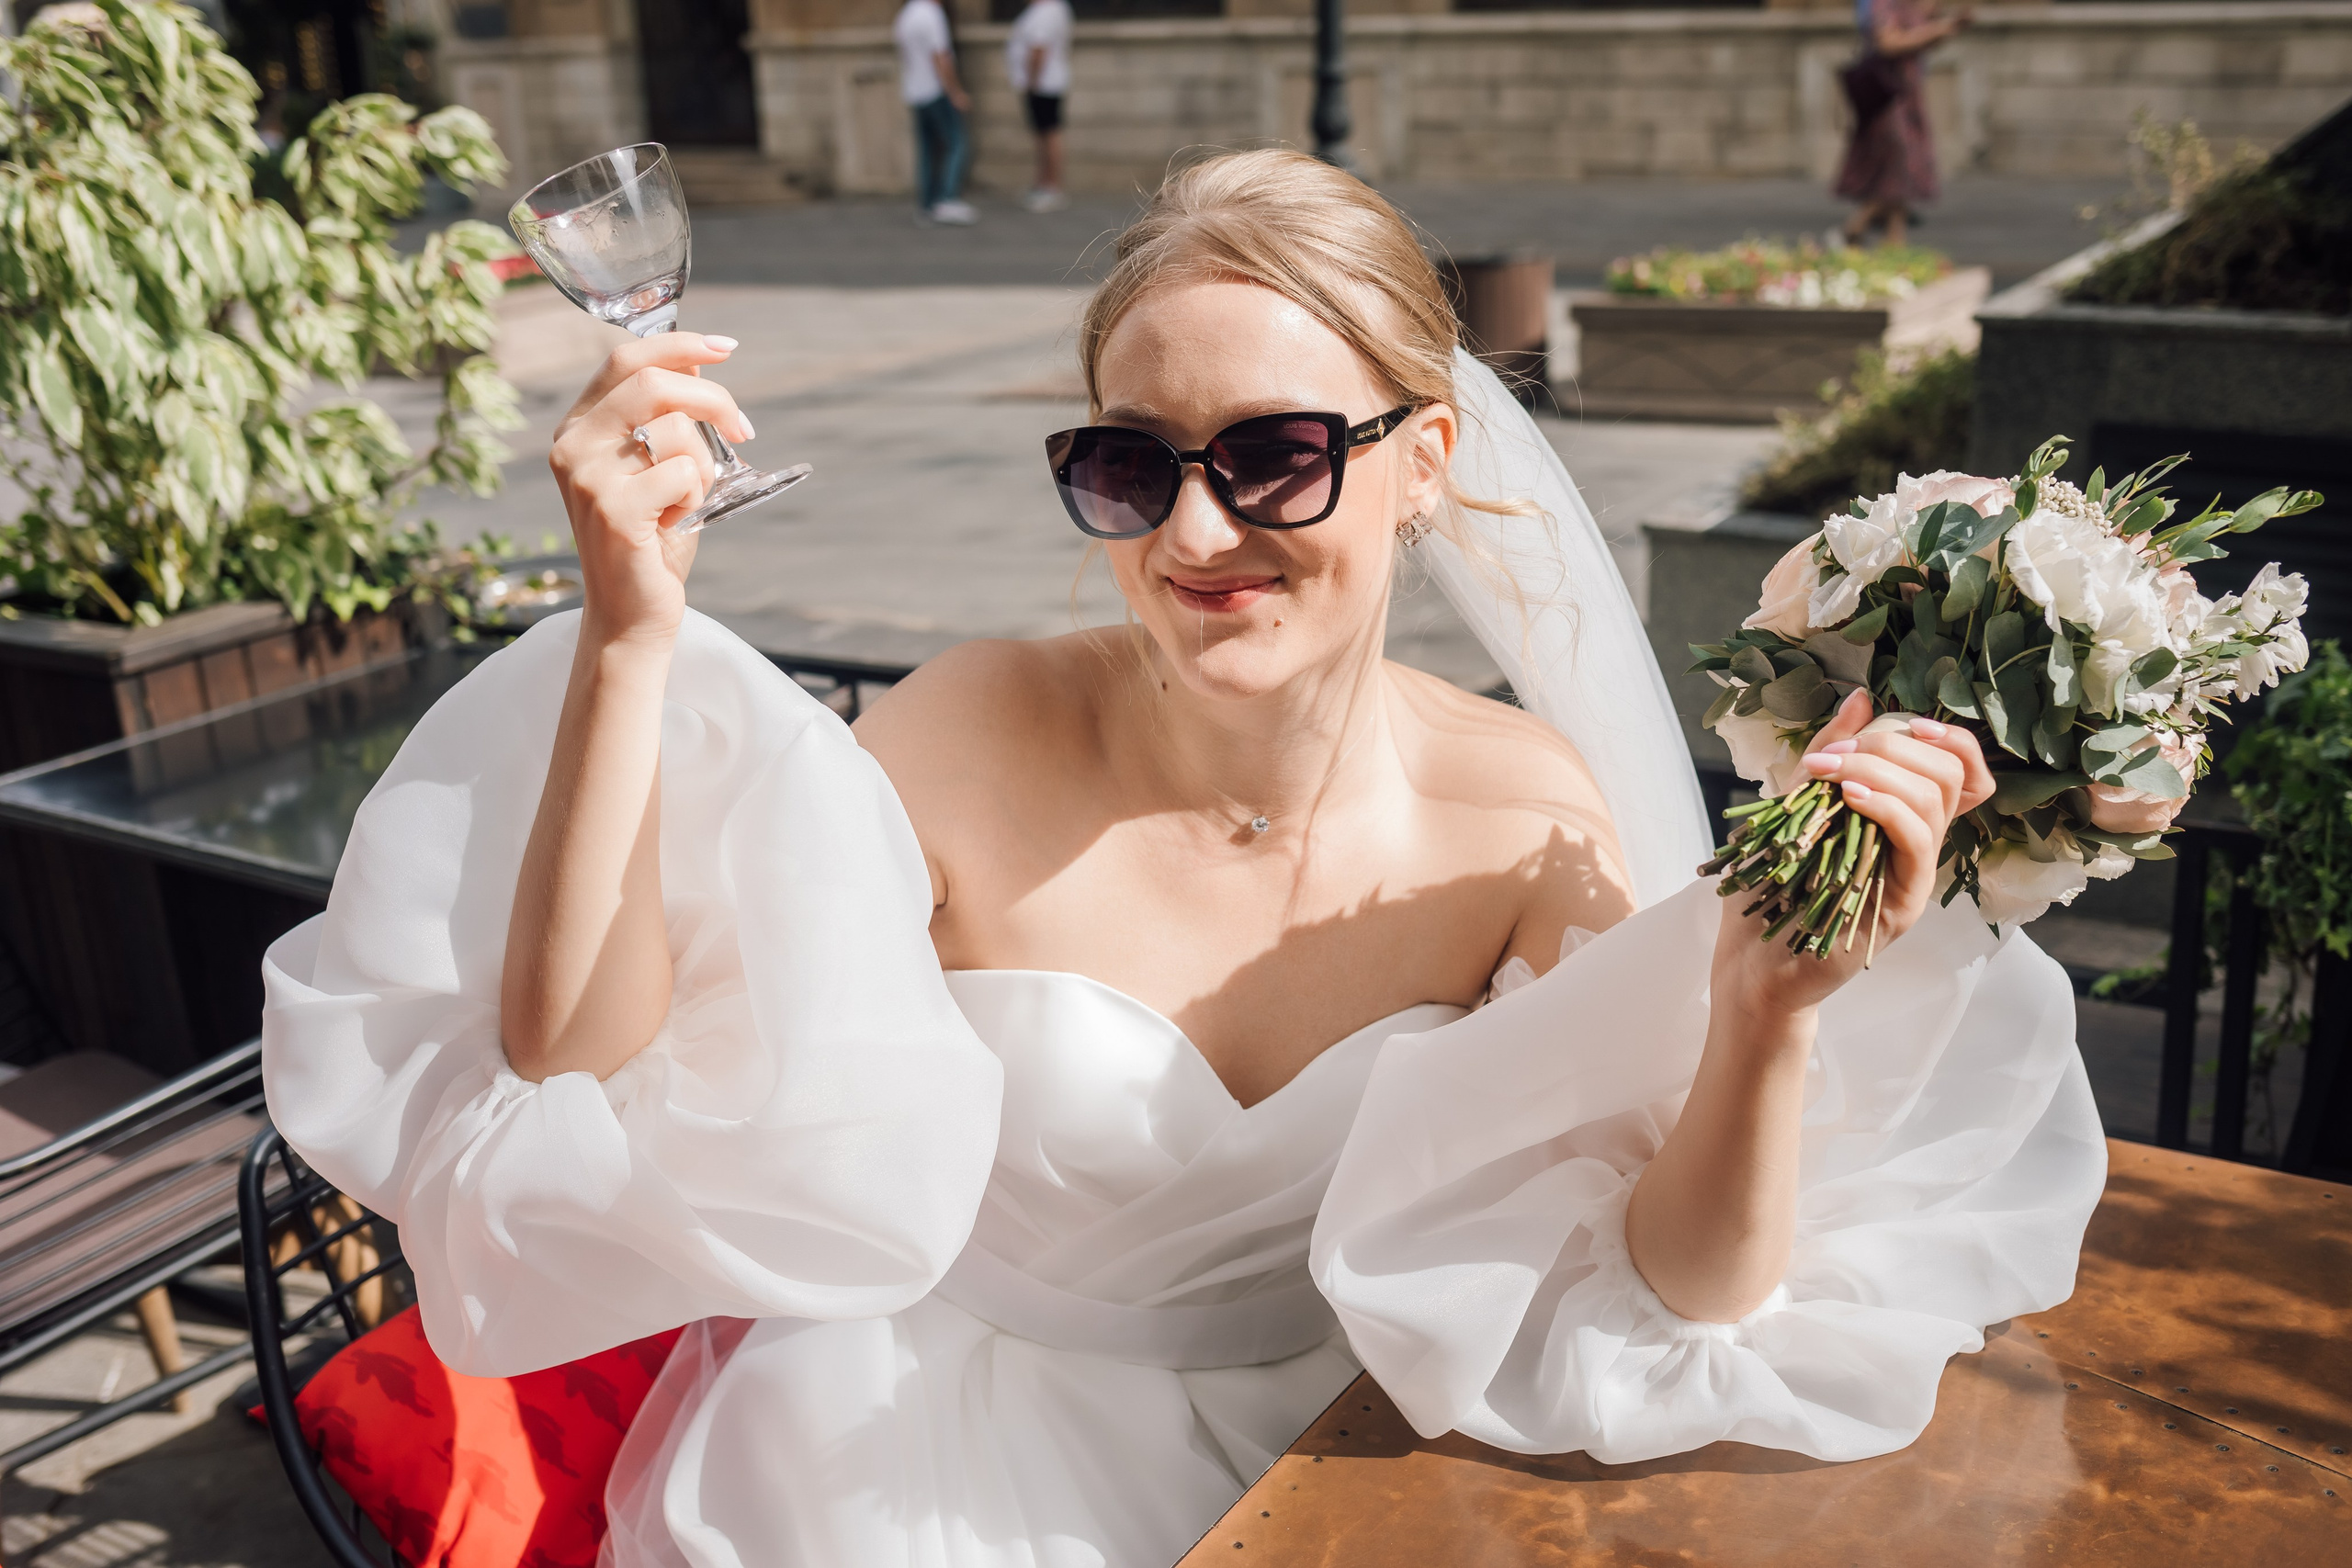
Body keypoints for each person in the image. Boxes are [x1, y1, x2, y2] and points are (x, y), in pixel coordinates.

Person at [262, 150, 2105, 1566]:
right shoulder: (968, 728)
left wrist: (1762, 1012)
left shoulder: (1526, 813)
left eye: (1276, 455)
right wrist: (631, 635)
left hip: (1332, 1469)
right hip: (912, 1464)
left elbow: (1671, 1288)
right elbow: (579, 1066)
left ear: (1420, 459)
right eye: (1129, 467)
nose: (1196, 529)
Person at [1836, 0, 1971, 245]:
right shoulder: (1884, 3)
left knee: (1902, 164)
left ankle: (1893, 239)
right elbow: (1888, 43)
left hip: (1908, 93)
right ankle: (1862, 223)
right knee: (1899, 158)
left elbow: (1923, 42)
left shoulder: (1913, 5)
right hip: (1888, 94)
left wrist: (1948, 27)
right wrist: (1936, 30)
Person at [896, 0, 977, 225]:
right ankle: (947, 198)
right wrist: (956, 92)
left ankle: (927, 204)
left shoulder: (907, 14)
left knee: (927, 149)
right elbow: (941, 57)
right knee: (956, 142)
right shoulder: (932, 14)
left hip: (915, 91)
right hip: (935, 90)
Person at [1006, 0, 1072, 212]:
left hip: (1043, 85)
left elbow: (1038, 50)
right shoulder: (1053, 8)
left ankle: (1051, 187)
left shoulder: (1046, 11)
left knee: (1048, 135)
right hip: (1044, 84)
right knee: (1042, 135)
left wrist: (1031, 82)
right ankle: (1043, 184)